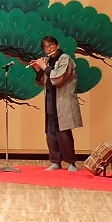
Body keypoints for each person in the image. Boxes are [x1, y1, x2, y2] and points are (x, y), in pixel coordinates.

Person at [29, 35, 82, 171]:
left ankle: (71, 162)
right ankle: (55, 161)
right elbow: (43, 81)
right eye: (45, 47)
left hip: (63, 100)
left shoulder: (65, 59)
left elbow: (58, 78)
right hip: (50, 100)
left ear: (57, 45)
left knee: (63, 132)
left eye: (51, 45)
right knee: (51, 132)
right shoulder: (47, 61)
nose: (48, 49)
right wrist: (39, 69)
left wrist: (44, 67)